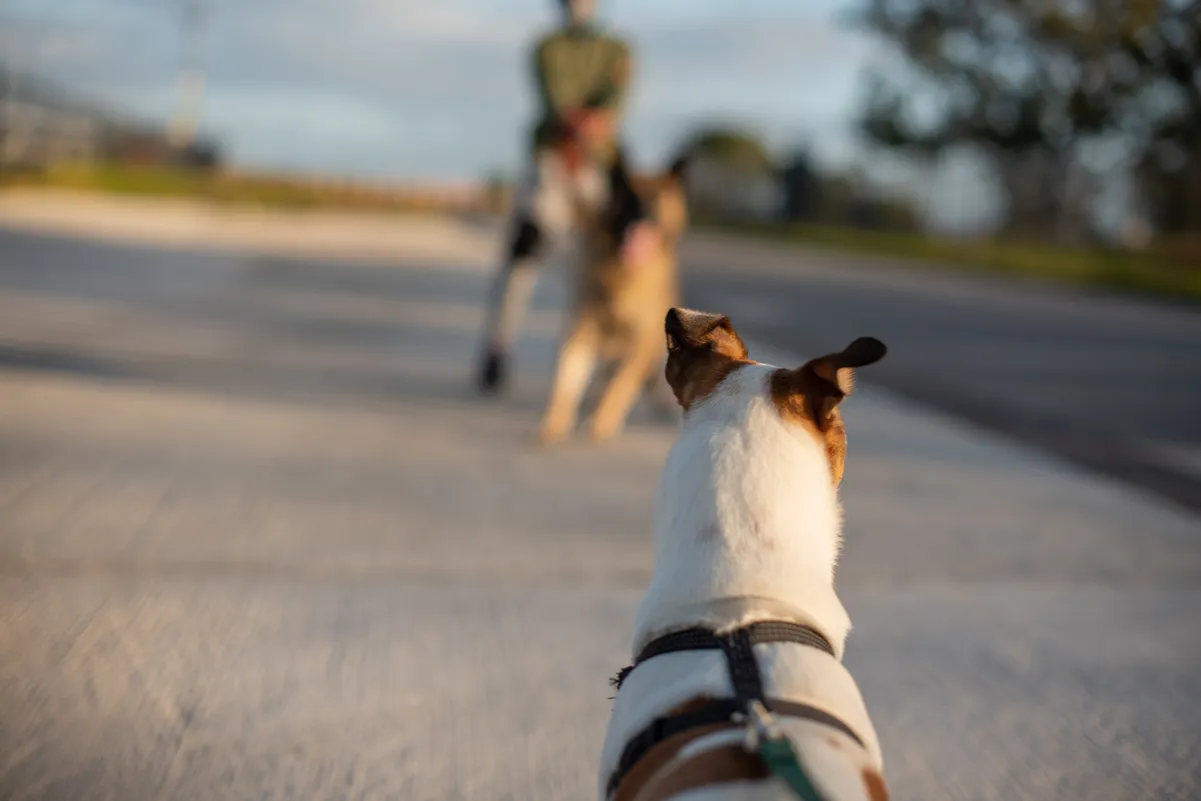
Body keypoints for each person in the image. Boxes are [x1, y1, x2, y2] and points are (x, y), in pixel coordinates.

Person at [475, 0, 634, 394]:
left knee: (604, 268)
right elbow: (557, 101)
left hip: (596, 168)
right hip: (550, 160)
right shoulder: (547, 47)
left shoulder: (618, 51)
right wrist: (579, 126)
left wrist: (595, 128)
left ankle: (608, 362)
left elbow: (613, 104)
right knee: (522, 254)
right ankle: (499, 345)